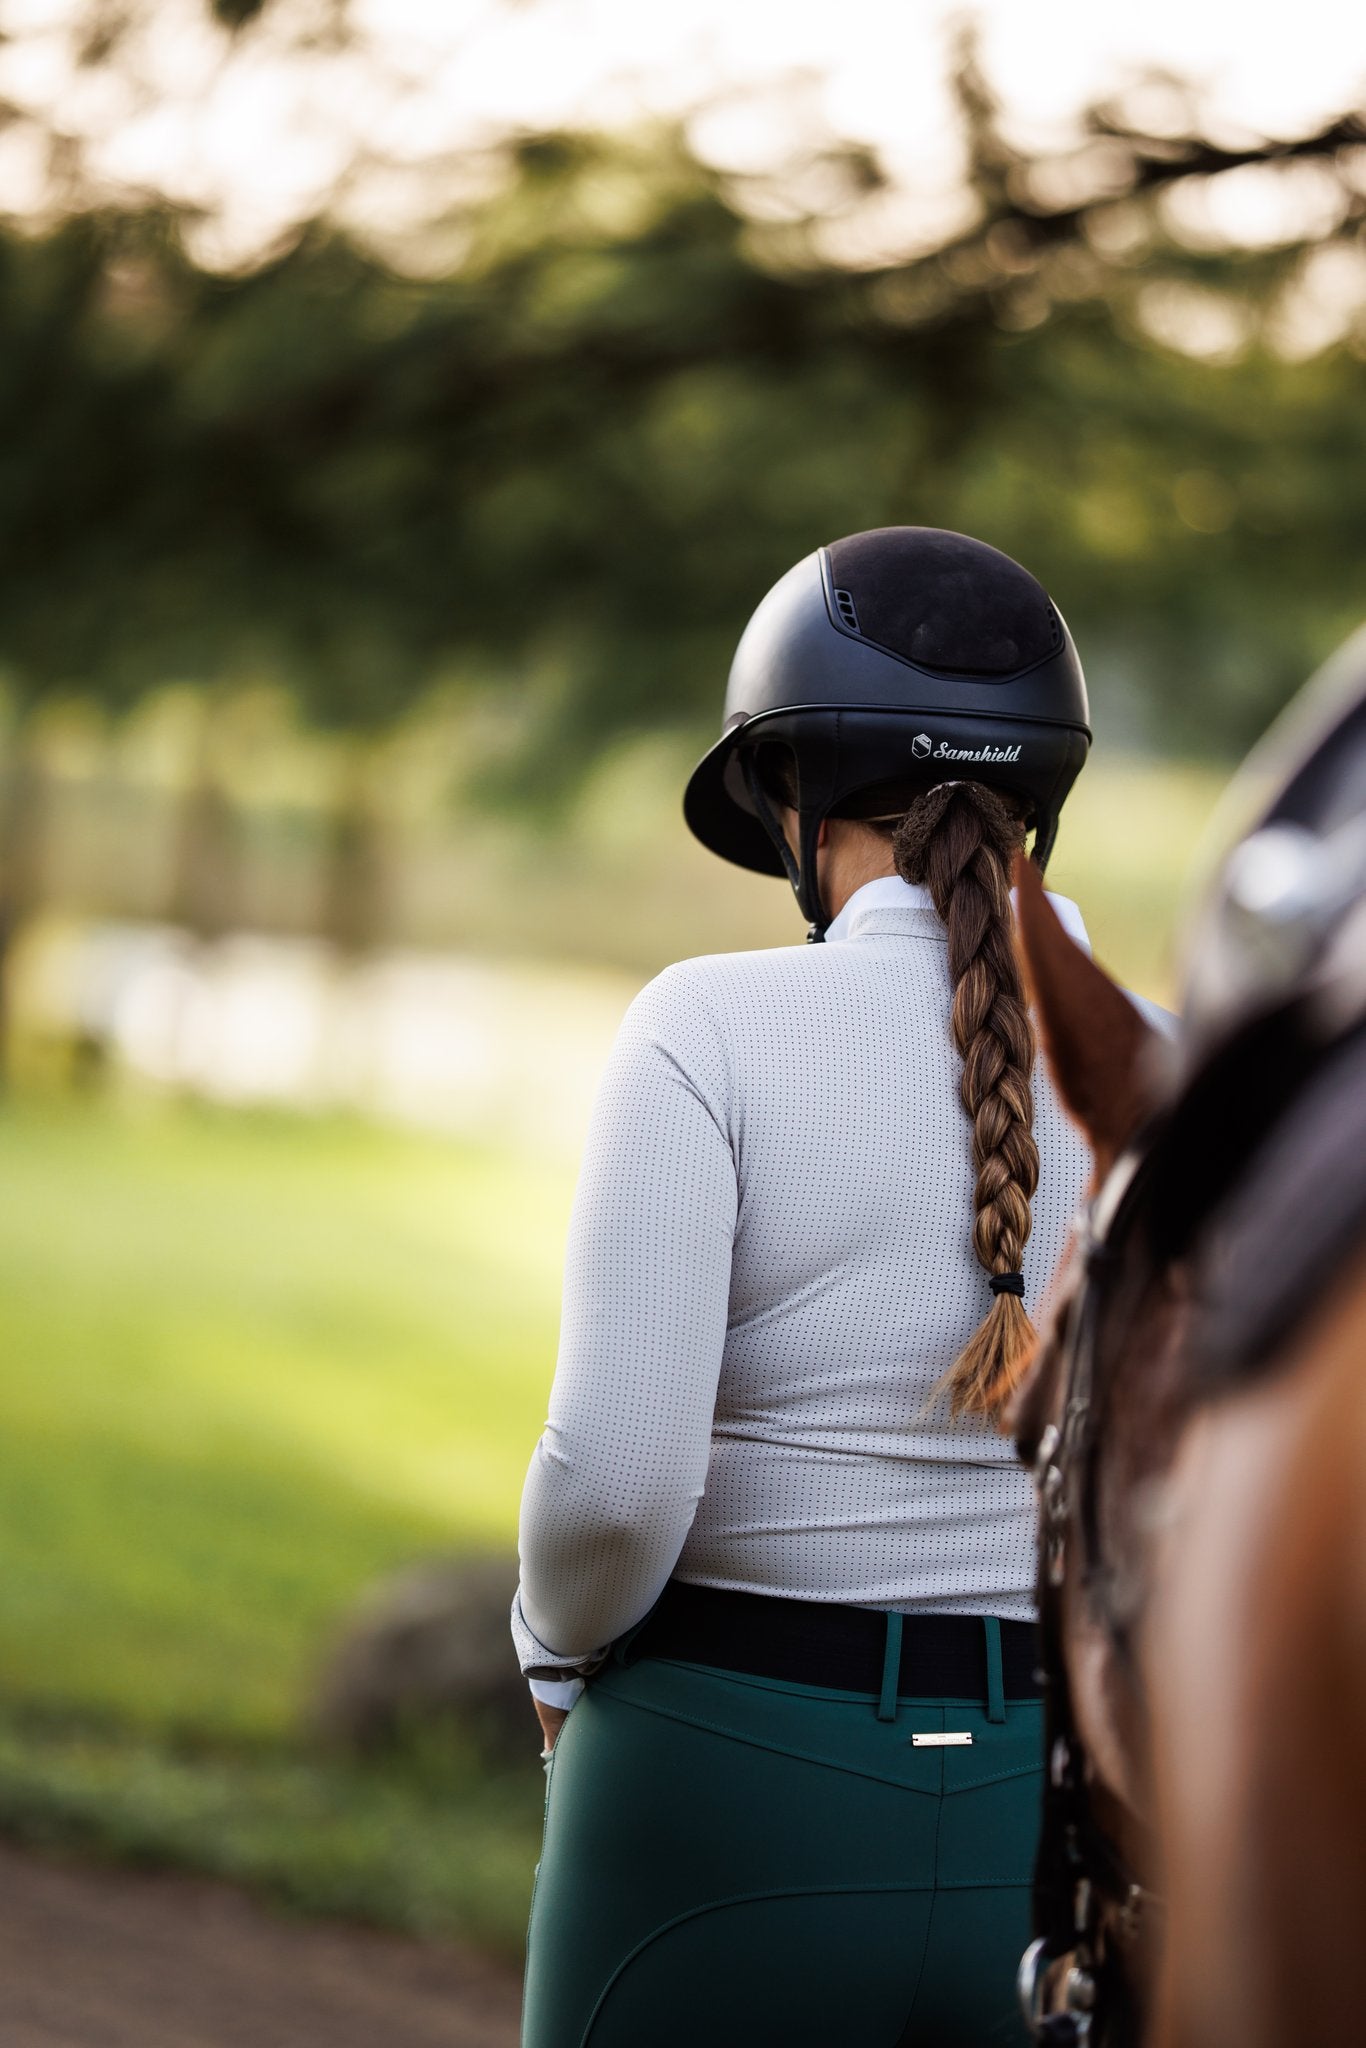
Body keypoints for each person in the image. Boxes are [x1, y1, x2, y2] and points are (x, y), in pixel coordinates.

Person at [511, 527, 1135, 2047]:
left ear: (789, 798)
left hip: (718, 1788)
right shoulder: (1168, 1070)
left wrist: (548, 1644)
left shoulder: (705, 1029)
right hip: (1052, 1819)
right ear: (1040, 799)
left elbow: (612, 1488)